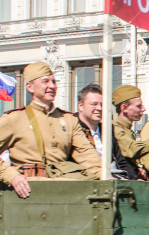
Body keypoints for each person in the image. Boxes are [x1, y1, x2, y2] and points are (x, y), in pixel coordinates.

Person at [0, 61, 101, 197]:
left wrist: (104, 174)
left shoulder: (68, 119)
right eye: (45, 81)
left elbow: (86, 154)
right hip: (29, 190)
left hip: (63, 188)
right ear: (30, 87)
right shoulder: (14, 118)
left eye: (54, 81)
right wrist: (11, 175)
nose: (52, 86)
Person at [77, 84, 139, 180]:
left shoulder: (107, 130)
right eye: (94, 104)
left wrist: (133, 180)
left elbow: (121, 160)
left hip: (113, 180)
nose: (99, 108)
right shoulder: (74, 128)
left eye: (102, 105)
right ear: (81, 106)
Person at [111, 84, 149, 178]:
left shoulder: (127, 129)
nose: (143, 109)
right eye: (138, 106)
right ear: (124, 108)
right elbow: (131, 150)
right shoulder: (116, 128)